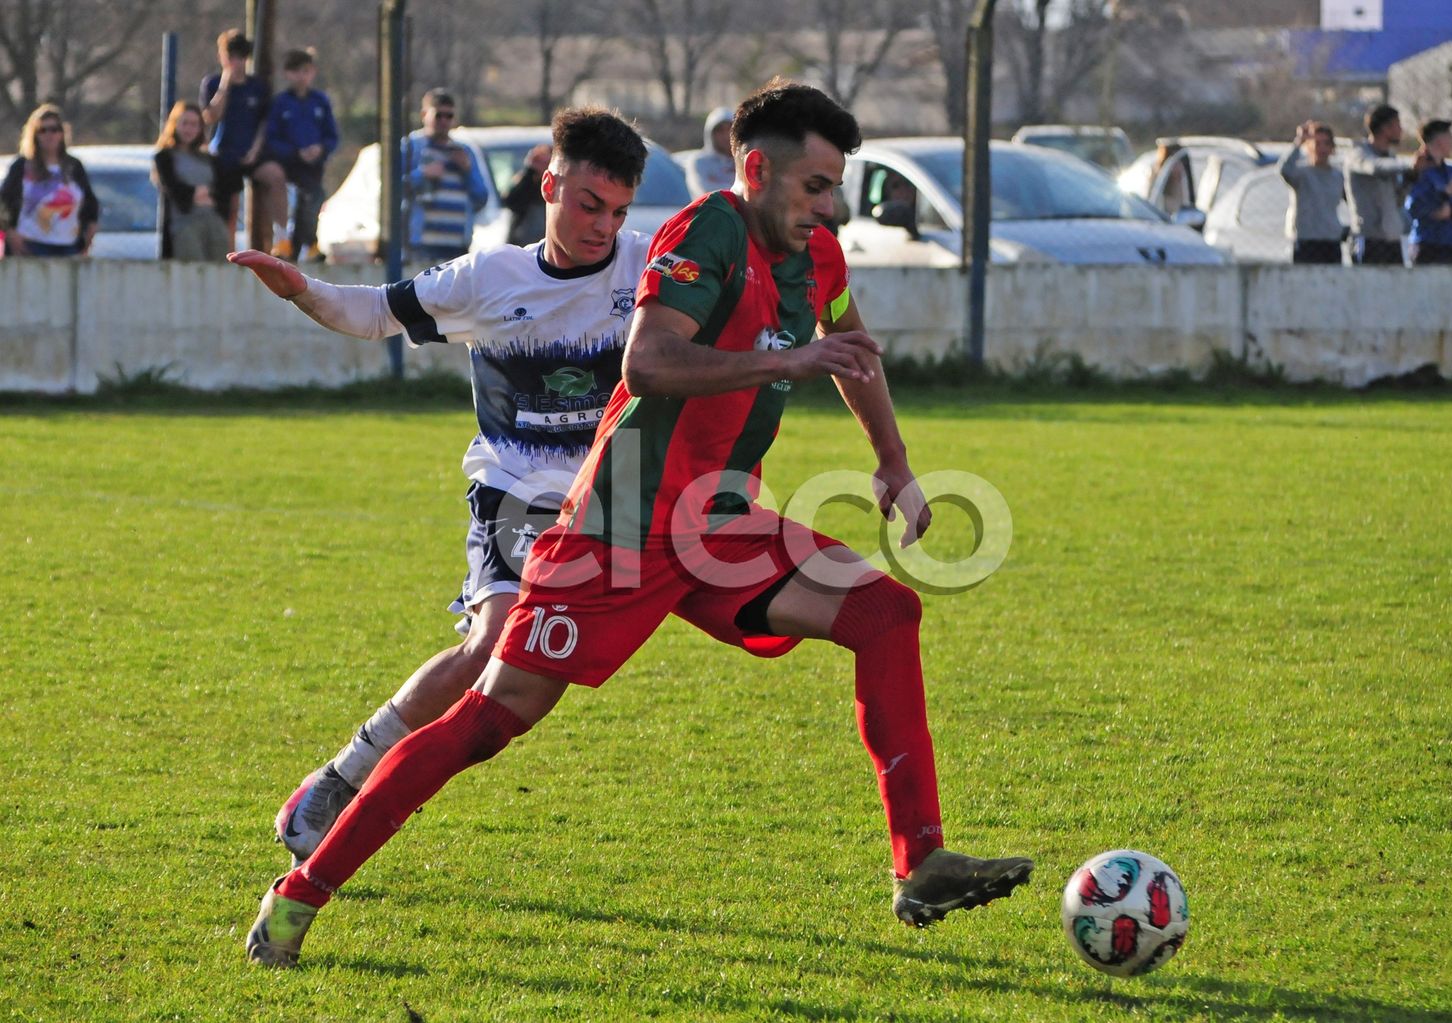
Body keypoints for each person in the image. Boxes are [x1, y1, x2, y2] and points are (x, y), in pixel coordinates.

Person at [245, 79, 1033, 969]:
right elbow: (650, 362)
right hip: (617, 523)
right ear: (757, 168)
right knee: (492, 716)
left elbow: (852, 350)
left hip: (719, 519)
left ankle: (920, 861)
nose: (830, 205)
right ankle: (299, 893)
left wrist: (893, 459)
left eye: (835, 186)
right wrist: (800, 357)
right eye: (815, 185)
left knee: (886, 612)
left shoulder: (818, 258)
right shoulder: (707, 232)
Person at [232, 105, 651, 880]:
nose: (603, 226)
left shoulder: (649, 266)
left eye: (619, 211)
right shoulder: (489, 277)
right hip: (518, 490)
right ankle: (344, 777)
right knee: (490, 643)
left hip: (613, 503)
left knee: (526, 691)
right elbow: (374, 312)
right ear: (549, 183)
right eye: (589, 204)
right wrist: (300, 289)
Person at [200, 28, 291, 255]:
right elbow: (211, 116)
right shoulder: (212, 83)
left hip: (252, 153)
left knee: (276, 177)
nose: (235, 62)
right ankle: (229, 249)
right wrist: (225, 85)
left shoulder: (257, 87)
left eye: (239, 57)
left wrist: (254, 150)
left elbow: (263, 123)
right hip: (224, 154)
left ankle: (282, 239)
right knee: (230, 202)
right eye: (230, 57)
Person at [266, 48, 339, 261]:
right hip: (290, 162)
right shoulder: (281, 103)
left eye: (305, 71)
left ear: (312, 72)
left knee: (313, 198)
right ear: (287, 74)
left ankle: (301, 245)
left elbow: (332, 135)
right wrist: (295, 152)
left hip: (314, 163)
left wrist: (321, 149)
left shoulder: (320, 101)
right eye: (296, 71)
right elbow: (272, 138)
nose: (301, 76)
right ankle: (307, 243)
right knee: (307, 196)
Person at [403, 88, 489, 265]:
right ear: (424, 114)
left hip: (456, 246)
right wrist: (423, 174)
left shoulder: (465, 151)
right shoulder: (411, 148)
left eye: (448, 116)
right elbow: (392, 191)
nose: (443, 121)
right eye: (438, 115)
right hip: (422, 245)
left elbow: (481, 198)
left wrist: (467, 170)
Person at [0, 104, 99, 258]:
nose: (49, 135)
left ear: (62, 133)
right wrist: (10, 233)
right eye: (43, 130)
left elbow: (90, 202)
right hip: (30, 245)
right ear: (34, 135)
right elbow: (3, 202)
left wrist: (90, 229)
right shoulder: (22, 166)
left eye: (54, 129)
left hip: (69, 246)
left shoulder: (73, 166)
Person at [152, 101, 232, 261]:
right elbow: (173, 188)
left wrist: (207, 194)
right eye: (185, 123)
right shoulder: (164, 157)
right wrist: (195, 193)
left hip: (213, 222)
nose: (189, 129)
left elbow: (222, 191)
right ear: (175, 125)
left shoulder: (209, 159)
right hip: (184, 224)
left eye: (194, 124)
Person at [1345, 104, 1411, 266]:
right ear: (1385, 128)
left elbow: (1397, 201)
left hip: (1391, 239)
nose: (1401, 130)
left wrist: (1411, 178)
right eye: (1398, 125)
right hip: (1368, 239)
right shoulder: (1359, 154)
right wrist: (1408, 166)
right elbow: (1374, 167)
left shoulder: (1391, 159)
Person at [1405, 119, 1452, 267]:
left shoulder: (1451, 172)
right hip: (1428, 244)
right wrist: (1444, 196)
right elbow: (1414, 207)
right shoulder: (1421, 171)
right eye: (1449, 137)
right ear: (1440, 140)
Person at [1277, 120, 1344, 265]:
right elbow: (1284, 170)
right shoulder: (1301, 174)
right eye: (1317, 143)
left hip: (1331, 241)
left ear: (1332, 147)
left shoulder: (1338, 176)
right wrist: (1298, 141)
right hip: (1306, 240)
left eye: (1326, 143)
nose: (1322, 148)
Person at [679, 106, 736, 196]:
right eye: (720, 131)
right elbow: (707, 193)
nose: (726, 135)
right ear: (711, 134)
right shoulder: (700, 162)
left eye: (730, 129)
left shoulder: (743, 162)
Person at [501, 142, 550, 246]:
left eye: (545, 161)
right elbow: (510, 201)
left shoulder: (557, 187)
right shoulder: (527, 181)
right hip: (521, 245)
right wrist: (530, 171)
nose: (542, 165)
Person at [1152, 143, 1190, 217]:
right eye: (1177, 163)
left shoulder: (1181, 182)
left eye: (1181, 163)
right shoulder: (1158, 191)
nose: (1180, 167)